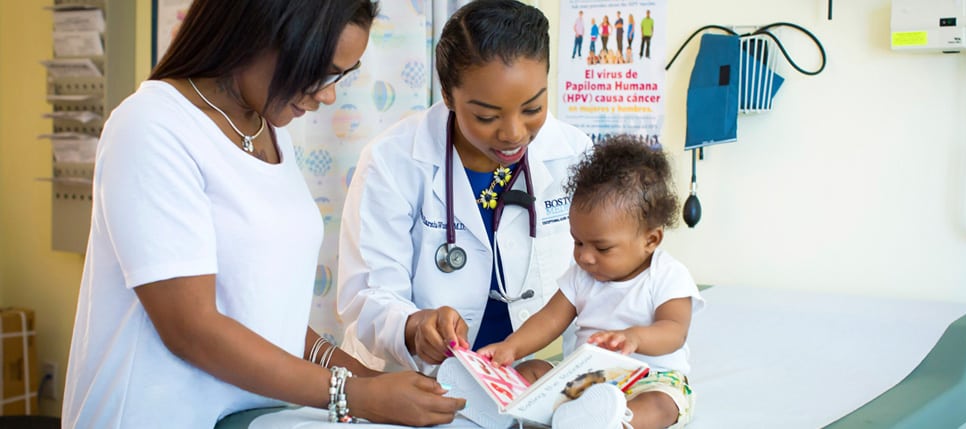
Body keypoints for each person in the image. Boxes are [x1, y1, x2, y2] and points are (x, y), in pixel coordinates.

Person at [61, 0, 464, 427]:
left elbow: (263, 317)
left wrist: (374, 384)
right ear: (259, 32)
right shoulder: (150, 127)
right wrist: (355, 395)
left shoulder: (265, 129)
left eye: (341, 76)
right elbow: (190, 329)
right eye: (321, 71)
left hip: (245, 416)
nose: (328, 95)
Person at [337, 0, 592, 380]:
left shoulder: (575, 155)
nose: (513, 133)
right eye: (486, 116)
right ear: (448, 95)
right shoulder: (392, 161)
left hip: (534, 376)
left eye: (532, 108)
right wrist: (413, 326)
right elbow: (367, 296)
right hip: (420, 380)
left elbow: (606, 274)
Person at [478, 136, 704, 429]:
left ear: (651, 240)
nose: (585, 257)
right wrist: (512, 347)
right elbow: (549, 319)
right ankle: (498, 408)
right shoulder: (581, 275)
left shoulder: (667, 275)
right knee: (530, 370)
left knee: (662, 405)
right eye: (578, 241)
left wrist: (634, 338)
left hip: (649, 378)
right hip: (585, 380)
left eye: (602, 247)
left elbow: (674, 332)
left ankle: (615, 422)